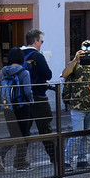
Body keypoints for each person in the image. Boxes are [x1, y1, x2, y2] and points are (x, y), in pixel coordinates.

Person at [22, 29, 58, 167]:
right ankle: (55, 158)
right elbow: (48, 75)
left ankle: (17, 160)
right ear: (35, 41)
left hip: (24, 97)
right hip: (38, 97)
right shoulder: (38, 56)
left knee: (24, 129)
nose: (41, 44)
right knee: (45, 129)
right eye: (41, 41)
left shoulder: (19, 54)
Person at [61, 41, 90, 170]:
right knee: (76, 134)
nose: (87, 53)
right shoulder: (75, 65)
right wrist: (75, 60)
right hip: (77, 106)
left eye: (89, 50)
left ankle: (82, 160)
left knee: (86, 136)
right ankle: (66, 161)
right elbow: (65, 74)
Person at [0, 48, 34, 171]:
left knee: (14, 134)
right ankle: (20, 163)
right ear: (21, 58)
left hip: (8, 107)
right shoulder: (24, 72)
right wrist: (31, 101)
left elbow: (0, 88)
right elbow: (27, 91)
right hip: (22, 106)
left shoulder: (3, 71)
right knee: (24, 135)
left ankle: (1, 154)